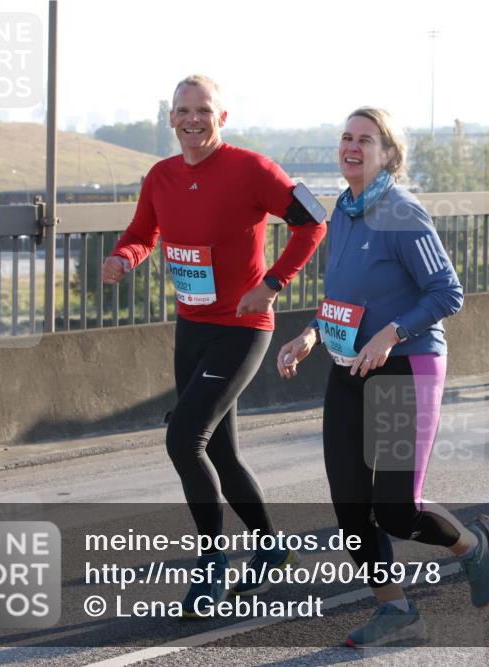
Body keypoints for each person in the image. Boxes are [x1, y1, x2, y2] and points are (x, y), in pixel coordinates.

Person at [275, 107, 489, 648]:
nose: (352, 147)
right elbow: (342, 297)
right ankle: (396, 611)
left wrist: (391, 334)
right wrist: (310, 335)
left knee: (398, 510)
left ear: (387, 155)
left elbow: (447, 293)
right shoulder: (345, 210)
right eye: (346, 138)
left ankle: (472, 546)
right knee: (351, 505)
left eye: (366, 140)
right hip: (348, 367)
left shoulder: (401, 212)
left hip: (405, 367)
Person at [101, 74, 326, 615]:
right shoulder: (160, 176)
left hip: (243, 327)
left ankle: (211, 564)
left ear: (222, 118)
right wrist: (123, 259)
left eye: (203, 110)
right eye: (182, 110)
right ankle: (271, 548)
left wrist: (270, 285)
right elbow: (141, 234)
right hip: (192, 326)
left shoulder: (251, 169)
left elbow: (313, 223)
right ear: (171, 118)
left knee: (183, 439)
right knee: (218, 449)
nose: (192, 119)